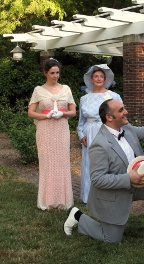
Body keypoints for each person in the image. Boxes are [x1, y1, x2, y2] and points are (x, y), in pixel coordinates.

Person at [64, 99, 144, 243]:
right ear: (109, 117)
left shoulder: (127, 129)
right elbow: (98, 179)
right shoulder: (99, 144)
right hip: (113, 194)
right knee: (112, 239)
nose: (126, 112)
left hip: (135, 186)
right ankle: (77, 216)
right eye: (121, 110)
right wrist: (128, 178)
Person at [28, 58, 76, 210]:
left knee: (61, 163)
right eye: (52, 73)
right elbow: (31, 112)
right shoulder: (38, 90)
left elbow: (73, 111)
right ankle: (47, 200)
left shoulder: (66, 89)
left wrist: (62, 114)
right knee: (47, 163)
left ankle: (64, 200)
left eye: (57, 72)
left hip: (61, 129)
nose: (55, 76)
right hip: (45, 130)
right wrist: (46, 116)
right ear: (45, 73)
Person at [77, 64, 123, 203]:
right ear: (91, 79)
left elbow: (121, 116)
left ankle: (108, 194)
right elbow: (81, 121)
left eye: (101, 76)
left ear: (105, 79)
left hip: (107, 130)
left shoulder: (113, 96)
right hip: (89, 132)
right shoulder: (84, 99)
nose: (99, 79)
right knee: (90, 162)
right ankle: (88, 196)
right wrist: (81, 135)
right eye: (96, 76)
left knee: (108, 161)